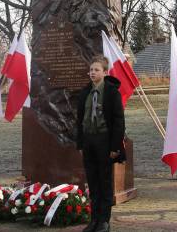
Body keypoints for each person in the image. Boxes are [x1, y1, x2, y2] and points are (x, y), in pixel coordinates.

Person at [76, 55, 126, 232]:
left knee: (104, 182)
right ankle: (94, 220)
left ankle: (104, 221)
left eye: (96, 70)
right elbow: (80, 119)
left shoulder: (112, 92)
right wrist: (80, 144)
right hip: (89, 141)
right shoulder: (85, 93)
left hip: (104, 141)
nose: (92, 73)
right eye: (90, 70)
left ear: (105, 72)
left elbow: (119, 121)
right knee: (93, 182)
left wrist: (114, 147)